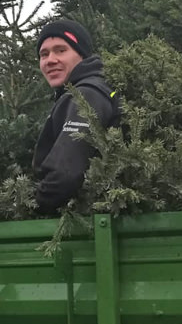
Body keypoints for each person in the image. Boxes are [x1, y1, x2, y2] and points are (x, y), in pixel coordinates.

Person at [32, 18, 120, 213]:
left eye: (61, 50)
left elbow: (66, 173)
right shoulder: (85, 91)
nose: (50, 60)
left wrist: (31, 207)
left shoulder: (86, 93)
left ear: (82, 54)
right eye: (44, 54)